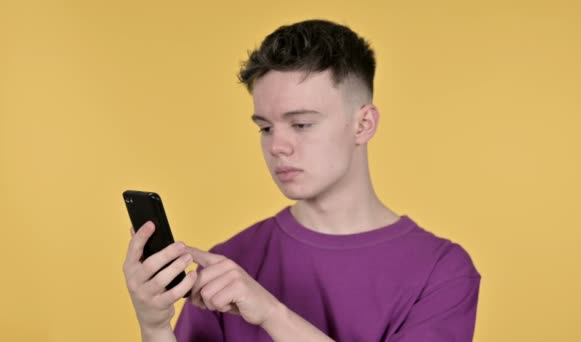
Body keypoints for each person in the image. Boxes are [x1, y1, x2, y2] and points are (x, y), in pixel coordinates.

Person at [123, 19, 481, 342]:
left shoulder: (442, 272)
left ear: (363, 124)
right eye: (265, 127)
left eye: (302, 124)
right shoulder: (230, 262)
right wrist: (154, 327)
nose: (277, 146)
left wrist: (271, 314)